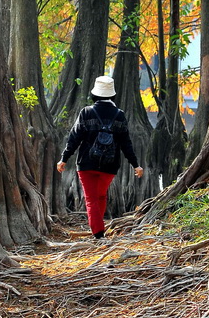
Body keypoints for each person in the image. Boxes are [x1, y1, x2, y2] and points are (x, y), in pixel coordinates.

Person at [56, 75, 144, 238]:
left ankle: (97, 233)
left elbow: (74, 138)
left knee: (91, 198)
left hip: (86, 164)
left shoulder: (86, 112)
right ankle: (99, 229)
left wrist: (64, 159)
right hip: (109, 165)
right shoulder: (119, 115)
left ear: (95, 94)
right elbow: (126, 143)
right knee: (101, 195)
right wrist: (135, 164)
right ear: (112, 94)